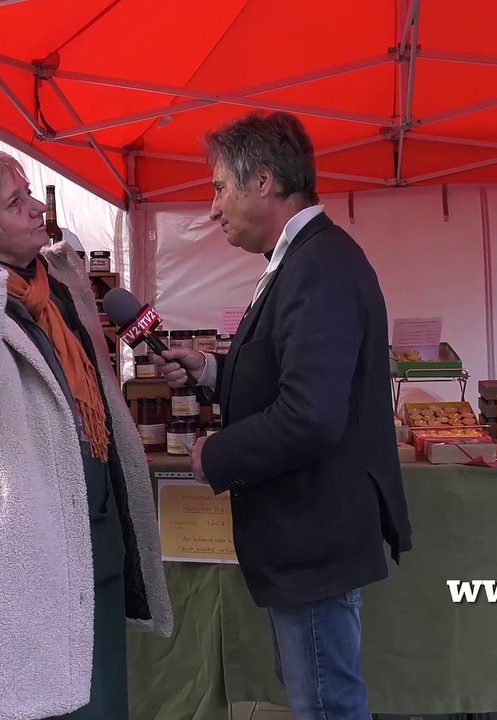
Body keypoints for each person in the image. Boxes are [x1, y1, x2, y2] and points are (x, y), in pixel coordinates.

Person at [0, 148, 172, 720]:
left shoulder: (60, 285)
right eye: (14, 203)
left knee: (101, 701)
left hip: (97, 538)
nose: (33, 210)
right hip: (17, 555)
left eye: (28, 194)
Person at [149, 111, 412, 720]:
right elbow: (289, 376)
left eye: (219, 187)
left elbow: (311, 415)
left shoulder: (317, 265)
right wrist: (212, 372)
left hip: (312, 530)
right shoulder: (300, 259)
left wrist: (216, 454)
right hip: (304, 529)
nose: (212, 207)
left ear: (263, 181)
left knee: (327, 706)